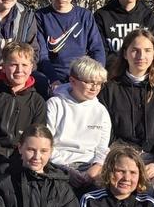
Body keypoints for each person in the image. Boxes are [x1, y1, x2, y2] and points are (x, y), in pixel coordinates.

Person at [98, 29, 154, 190]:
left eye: (147, 50)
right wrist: (121, 158)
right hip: (118, 161)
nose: (141, 56)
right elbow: (103, 132)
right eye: (135, 50)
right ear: (125, 54)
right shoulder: (109, 90)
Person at [0, 41, 47, 179]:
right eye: (14, 65)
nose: (19, 70)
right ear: (4, 67)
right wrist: (3, 157)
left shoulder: (37, 102)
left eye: (24, 65)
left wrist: (18, 159)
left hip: (22, 159)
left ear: (31, 68)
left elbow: (36, 138)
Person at [45, 56, 111, 190]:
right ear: (72, 81)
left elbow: (102, 148)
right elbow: (46, 144)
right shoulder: (54, 104)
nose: (94, 87)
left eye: (99, 83)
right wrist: (67, 170)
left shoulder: (101, 111)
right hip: (59, 165)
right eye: (89, 82)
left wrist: (96, 167)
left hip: (90, 166)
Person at [34, 0, 105, 90]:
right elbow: (42, 55)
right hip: (52, 79)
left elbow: (97, 49)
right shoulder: (40, 17)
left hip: (82, 77)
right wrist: (53, 80)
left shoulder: (85, 16)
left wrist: (95, 76)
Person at [94, 0, 154, 67]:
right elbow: (100, 52)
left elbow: (153, 51)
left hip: (140, 71)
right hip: (111, 72)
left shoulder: (148, 16)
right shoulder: (102, 16)